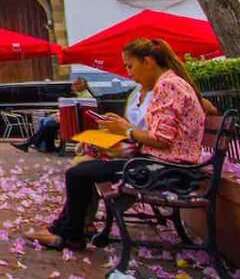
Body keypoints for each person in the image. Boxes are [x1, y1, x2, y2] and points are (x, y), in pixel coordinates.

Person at [27, 39, 207, 251]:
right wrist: (122, 129)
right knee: (82, 169)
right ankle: (64, 229)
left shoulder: (168, 85)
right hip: (164, 165)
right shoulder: (171, 83)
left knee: (78, 173)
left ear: (147, 62)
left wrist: (126, 130)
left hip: (165, 169)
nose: (129, 73)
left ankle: (69, 235)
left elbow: (162, 139)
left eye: (130, 66)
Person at [14, 77, 96, 154]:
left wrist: (60, 117)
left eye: (74, 85)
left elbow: (76, 114)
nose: (72, 87)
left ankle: (34, 144)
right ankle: (39, 145)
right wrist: (59, 115)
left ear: (80, 86)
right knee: (47, 124)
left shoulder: (86, 97)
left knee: (48, 124)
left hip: (75, 124)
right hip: (73, 122)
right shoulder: (82, 95)